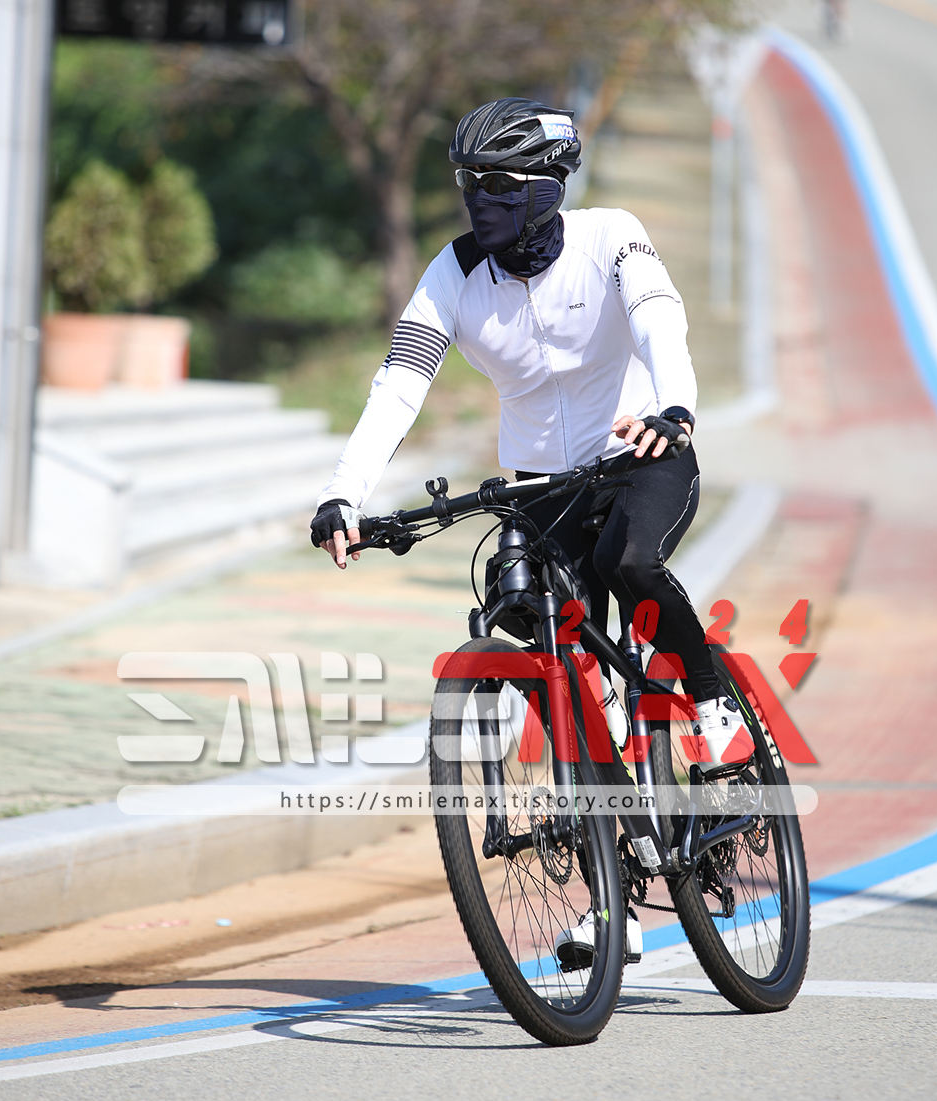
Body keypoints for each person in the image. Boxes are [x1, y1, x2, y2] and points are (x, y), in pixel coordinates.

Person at [310, 97, 753, 966]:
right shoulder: (454, 273)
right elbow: (399, 382)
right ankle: (615, 895)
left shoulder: (609, 235)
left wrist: (674, 410)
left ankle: (711, 707)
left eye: (499, 185)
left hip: (640, 453)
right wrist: (343, 495)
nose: (479, 201)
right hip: (540, 489)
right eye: (468, 184)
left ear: (547, 187)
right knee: (544, 646)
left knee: (630, 562)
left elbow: (661, 321)